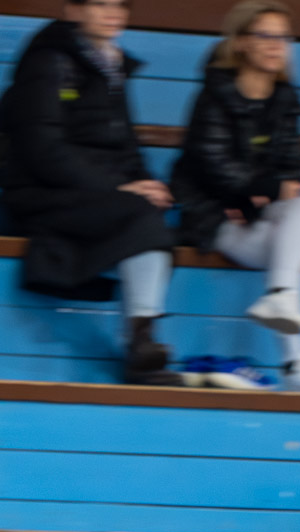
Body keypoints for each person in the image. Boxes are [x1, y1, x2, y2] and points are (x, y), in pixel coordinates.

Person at [171, 0, 300, 393]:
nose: (276, 45)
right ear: (240, 42)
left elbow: (296, 174)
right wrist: (264, 191)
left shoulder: (286, 100)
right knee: (291, 243)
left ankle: (282, 299)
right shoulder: (213, 96)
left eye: (283, 37)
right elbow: (213, 166)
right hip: (215, 219)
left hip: (256, 216)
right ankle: (295, 361)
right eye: (265, 35)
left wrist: (258, 195)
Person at [0, 0, 176, 385]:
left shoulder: (111, 65)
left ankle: (141, 344)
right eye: (100, 3)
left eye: (121, 4)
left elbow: (126, 146)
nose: (114, 12)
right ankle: (141, 341)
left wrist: (147, 182)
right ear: (73, 10)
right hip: (41, 194)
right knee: (139, 215)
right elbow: (42, 149)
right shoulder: (47, 63)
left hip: (97, 196)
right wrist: (120, 188)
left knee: (150, 214)